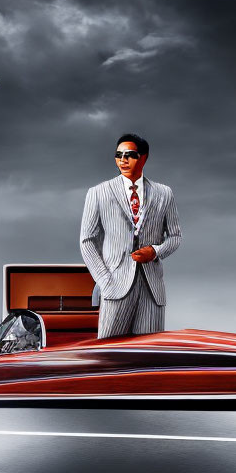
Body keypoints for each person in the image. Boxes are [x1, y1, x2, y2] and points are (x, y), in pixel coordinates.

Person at [79, 133, 181, 339]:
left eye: (130, 155)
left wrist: (155, 251)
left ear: (144, 157)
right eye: (118, 155)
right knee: (108, 353)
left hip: (151, 290)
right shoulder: (98, 192)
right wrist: (105, 281)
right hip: (115, 287)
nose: (123, 160)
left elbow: (175, 236)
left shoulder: (164, 193)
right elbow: (87, 241)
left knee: (149, 354)